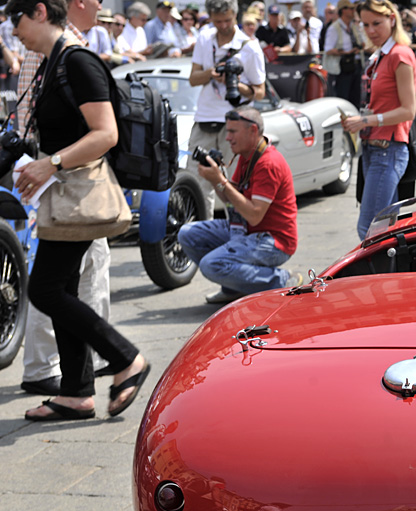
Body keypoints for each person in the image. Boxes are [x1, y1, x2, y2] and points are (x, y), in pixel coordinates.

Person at [11, 0, 149, 421]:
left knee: (46, 289)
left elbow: (105, 133)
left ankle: (126, 358)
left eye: (13, 20)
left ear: (37, 11)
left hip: (79, 192)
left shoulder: (77, 61)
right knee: (61, 289)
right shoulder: (53, 61)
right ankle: (76, 392)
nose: (10, 30)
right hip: (64, 193)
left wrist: (50, 163)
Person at [16, 0, 114, 397]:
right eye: (96, 0)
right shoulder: (70, 52)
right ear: (73, 3)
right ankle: (112, 360)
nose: (100, 6)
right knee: (69, 280)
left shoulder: (50, 52)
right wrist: (53, 163)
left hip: (51, 174)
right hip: (70, 180)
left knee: (55, 280)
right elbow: (102, 133)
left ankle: (67, 377)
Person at [178, 106, 302, 304]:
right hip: (247, 229)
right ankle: (234, 286)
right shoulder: (247, 156)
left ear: (253, 131)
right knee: (188, 234)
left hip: (274, 241)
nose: (227, 138)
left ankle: (281, 280)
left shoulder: (268, 163)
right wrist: (215, 178)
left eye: (232, 131)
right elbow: (229, 198)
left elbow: (254, 215)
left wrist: (220, 181)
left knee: (211, 265)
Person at [342, 0, 416, 240]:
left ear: (392, 20)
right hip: (376, 147)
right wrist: (363, 120)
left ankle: (377, 278)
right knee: (385, 229)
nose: (371, 30)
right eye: (365, 24)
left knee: (370, 230)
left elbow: (409, 111)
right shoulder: (380, 56)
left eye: (377, 23)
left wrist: (366, 121)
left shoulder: (400, 55)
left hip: (389, 149)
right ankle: (392, 276)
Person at [188, 0, 266, 218]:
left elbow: (260, 91)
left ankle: (236, 227)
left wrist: (236, 84)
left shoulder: (249, 46)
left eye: (227, 21)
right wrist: (211, 74)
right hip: (205, 117)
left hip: (236, 120)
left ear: (235, 15)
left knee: (234, 180)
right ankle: (201, 228)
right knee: (198, 179)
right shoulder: (204, 38)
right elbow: (193, 79)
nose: (222, 26)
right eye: (218, 21)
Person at [323, 0, 364, 102]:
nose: (353, 11)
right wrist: (347, 53)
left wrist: (359, 47)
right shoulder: (334, 28)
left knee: (356, 98)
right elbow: (328, 50)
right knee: (343, 98)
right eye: (350, 8)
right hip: (343, 68)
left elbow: (362, 42)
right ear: (343, 10)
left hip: (356, 66)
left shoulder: (353, 26)